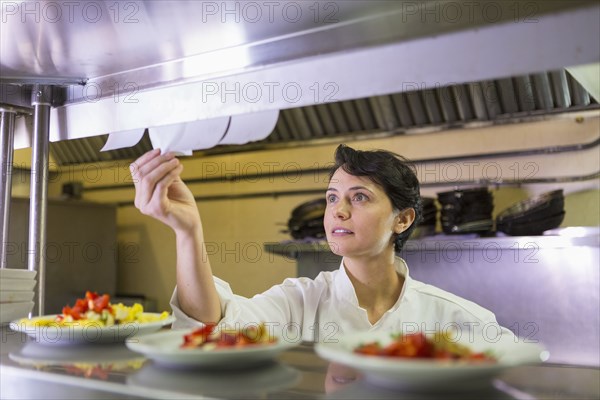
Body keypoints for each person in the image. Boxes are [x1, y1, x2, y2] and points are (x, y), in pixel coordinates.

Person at [131, 144, 512, 342]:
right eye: (332, 197)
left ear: (403, 218)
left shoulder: (458, 320)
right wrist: (188, 231)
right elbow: (209, 329)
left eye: (359, 197)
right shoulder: (300, 301)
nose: (338, 211)